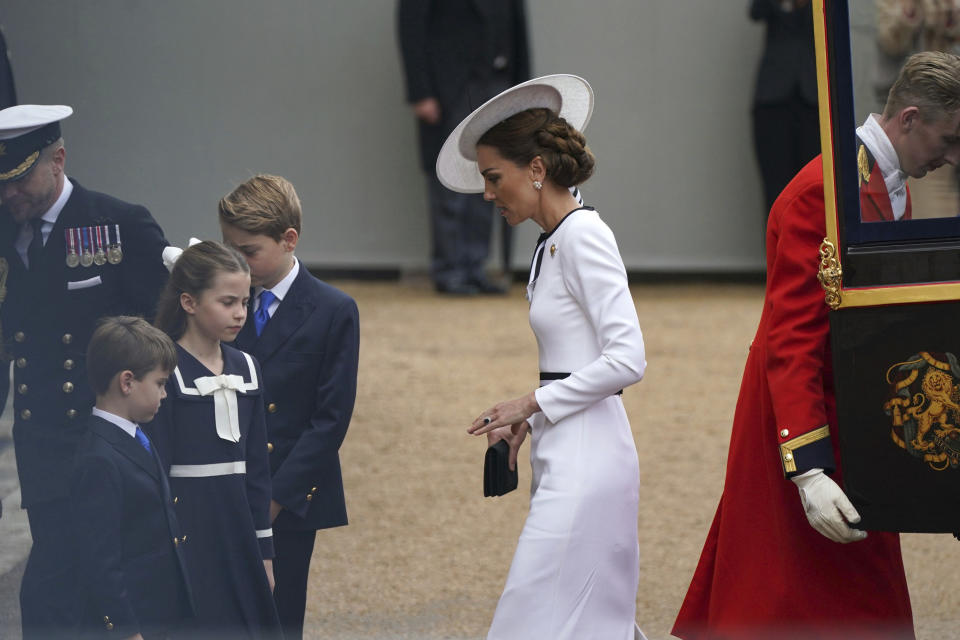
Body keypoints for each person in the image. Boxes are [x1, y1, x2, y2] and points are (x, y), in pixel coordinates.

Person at [671, 51, 960, 639]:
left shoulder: (882, 181)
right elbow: (792, 337)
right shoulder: (823, 193)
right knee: (786, 592)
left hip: (853, 407)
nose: (953, 157)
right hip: (809, 415)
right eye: (949, 138)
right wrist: (807, 467)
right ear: (908, 119)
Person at [436, 75, 648, 639]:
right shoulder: (551, 241)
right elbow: (574, 360)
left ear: (535, 169)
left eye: (492, 177)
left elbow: (628, 358)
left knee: (534, 622)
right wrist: (529, 419)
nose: (486, 194)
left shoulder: (583, 236)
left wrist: (530, 402)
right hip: (567, 449)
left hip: (590, 458)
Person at [0, 104, 169, 637]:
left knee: (104, 571)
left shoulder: (119, 224)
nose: (9, 196)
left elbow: (161, 335)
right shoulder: (5, 230)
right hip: (42, 438)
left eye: (19, 181)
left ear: (58, 160)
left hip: (105, 440)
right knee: (56, 567)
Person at [218, 174, 360, 640]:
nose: (238, 261)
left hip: (288, 494)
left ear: (289, 239)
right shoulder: (218, 304)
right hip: (221, 483)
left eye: (250, 250)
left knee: (277, 618)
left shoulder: (332, 309)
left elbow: (330, 419)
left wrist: (275, 499)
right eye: (229, 247)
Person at [146, 241, 282, 639]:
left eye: (245, 300)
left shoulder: (248, 368)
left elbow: (257, 470)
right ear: (189, 302)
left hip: (238, 534)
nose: (240, 312)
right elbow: (155, 469)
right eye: (226, 302)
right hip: (188, 535)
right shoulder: (164, 371)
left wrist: (266, 554)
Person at [71, 316, 194, 639]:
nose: (164, 394)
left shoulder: (136, 436)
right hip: (134, 622)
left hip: (159, 614)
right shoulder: (99, 459)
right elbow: (101, 559)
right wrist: (125, 630)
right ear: (127, 382)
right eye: (160, 383)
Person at [397, 0, 530, 295]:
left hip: (498, 83)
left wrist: (524, 92)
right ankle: (450, 269)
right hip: (448, 88)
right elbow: (411, 26)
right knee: (449, 177)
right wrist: (421, 92)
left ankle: (474, 267)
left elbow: (518, 25)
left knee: (490, 176)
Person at [749, 0, 820, 216]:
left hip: (814, 101)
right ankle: (776, 249)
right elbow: (755, 11)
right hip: (773, 99)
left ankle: (812, 250)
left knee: (813, 190)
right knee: (775, 191)